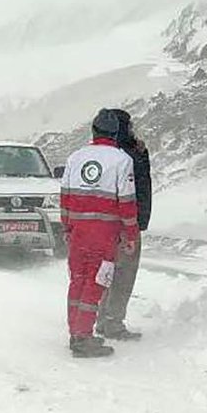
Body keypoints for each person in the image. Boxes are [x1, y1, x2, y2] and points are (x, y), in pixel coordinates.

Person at [59, 109, 140, 358]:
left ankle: (75, 332)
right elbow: (127, 202)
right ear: (115, 134)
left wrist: (67, 227)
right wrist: (131, 234)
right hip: (104, 234)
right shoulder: (121, 160)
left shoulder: (76, 157)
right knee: (96, 283)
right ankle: (84, 338)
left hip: (79, 233)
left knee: (77, 280)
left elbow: (64, 197)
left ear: (93, 131)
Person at [97, 109, 150, 340]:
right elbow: (134, 192)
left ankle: (102, 319)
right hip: (126, 224)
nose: (132, 130)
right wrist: (135, 225)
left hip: (105, 224)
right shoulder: (127, 156)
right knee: (123, 274)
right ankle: (113, 322)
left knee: (106, 272)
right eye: (129, 126)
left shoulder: (104, 155)